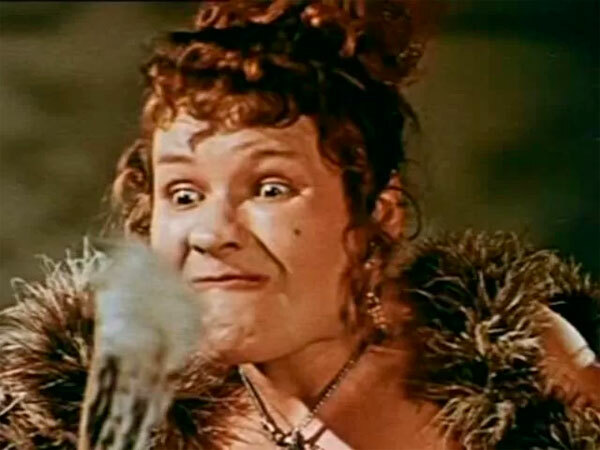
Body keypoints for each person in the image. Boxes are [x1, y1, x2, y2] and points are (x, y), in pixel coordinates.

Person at [0, 1, 598, 449]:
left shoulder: (525, 378)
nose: (211, 232)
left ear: (378, 215)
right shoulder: (81, 422)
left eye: (270, 188)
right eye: (184, 194)